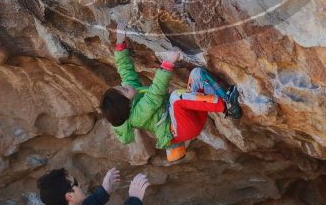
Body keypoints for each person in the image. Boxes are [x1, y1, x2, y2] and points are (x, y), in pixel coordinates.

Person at [99, 23, 242, 162]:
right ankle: (226, 105)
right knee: (175, 97)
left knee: (197, 75)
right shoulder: (137, 117)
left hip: (189, 115)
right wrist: (168, 63)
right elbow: (155, 94)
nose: (125, 86)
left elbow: (125, 71)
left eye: (120, 86)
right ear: (127, 105)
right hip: (183, 128)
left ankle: (230, 104)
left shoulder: (132, 94)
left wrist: (120, 43)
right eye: (123, 89)